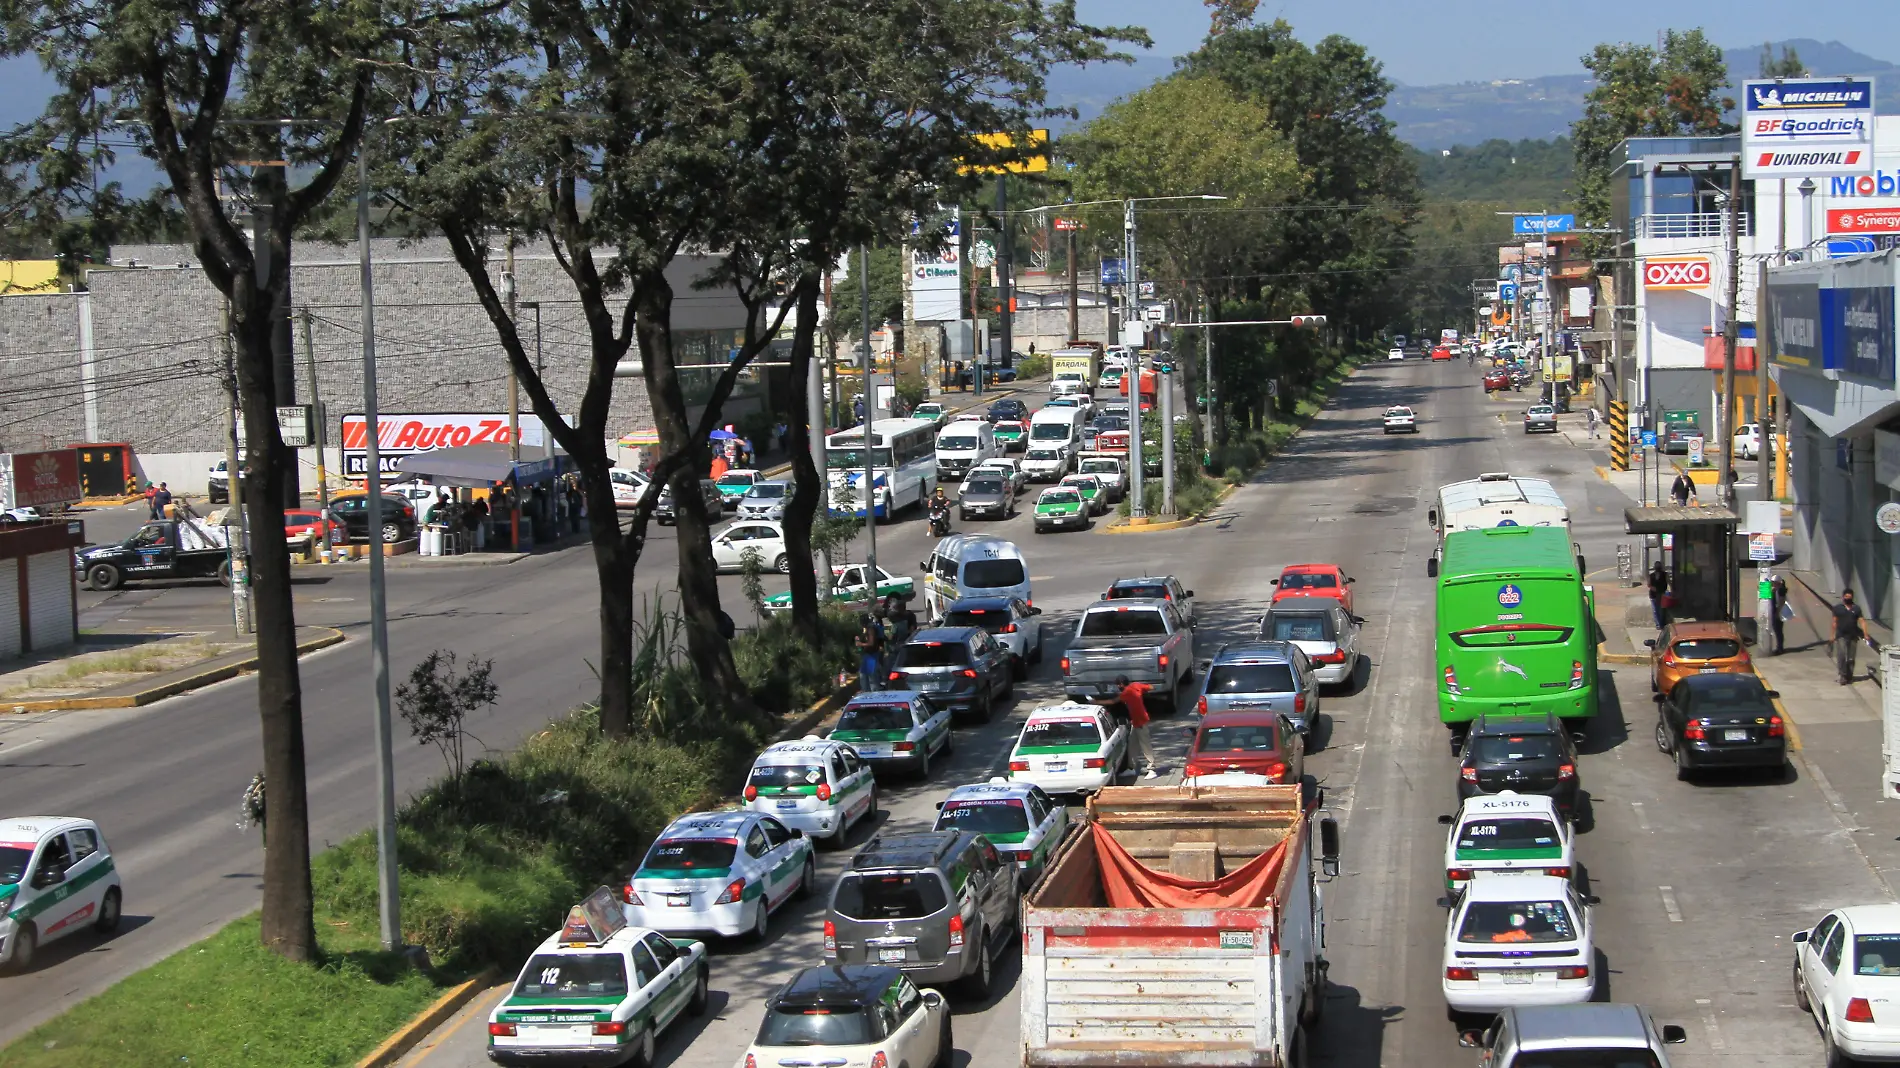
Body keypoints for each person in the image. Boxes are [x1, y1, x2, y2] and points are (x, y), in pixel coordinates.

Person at [1089, 674, 1157, 779]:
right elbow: (1152, 687)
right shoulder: (1136, 685)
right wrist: (1143, 692)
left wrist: (1095, 702)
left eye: (1118, 685)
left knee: (1145, 746)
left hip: (1140, 722)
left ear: (1121, 684)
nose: (1117, 687)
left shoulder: (1126, 693)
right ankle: (1131, 768)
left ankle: (1152, 769)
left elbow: (1112, 701)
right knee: (1132, 745)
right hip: (1136, 721)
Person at [1832, 588, 1865, 685]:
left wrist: (1865, 634)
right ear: (1843, 597)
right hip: (1841, 635)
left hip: (1853, 635)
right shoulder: (1838, 608)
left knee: (1851, 657)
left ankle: (1849, 676)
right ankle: (1842, 675)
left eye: (1849, 597)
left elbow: (1862, 621)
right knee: (1841, 655)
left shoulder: (1856, 608)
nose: (1848, 599)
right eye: (1846, 597)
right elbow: (1834, 622)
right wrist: (1832, 635)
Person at [855, 613, 885, 693]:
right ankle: (866, 692)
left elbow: (871, 643)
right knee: (863, 675)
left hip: (872, 655)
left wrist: (860, 644)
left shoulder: (870, 629)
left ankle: (875, 693)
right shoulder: (867, 628)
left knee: (872, 676)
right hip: (868, 655)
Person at [1770, 573, 1790, 656]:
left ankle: (1780, 648)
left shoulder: (1781, 590)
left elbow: (1781, 602)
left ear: (1777, 582)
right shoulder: (1776, 589)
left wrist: (1778, 613)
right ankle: (1779, 647)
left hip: (1778, 613)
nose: (1772, 584)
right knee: (1777, 630)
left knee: (1778, 631)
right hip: (1775, 612)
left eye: (1773, 582)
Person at [1647, 561, 1670, 629]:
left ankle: (1662, 623)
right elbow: (1649, 584)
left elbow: (1668, 582)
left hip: (1661, 594)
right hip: (1653, 595)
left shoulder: (1665, 574)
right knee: (1655, 610)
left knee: (1661, 609)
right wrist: (1652, 588)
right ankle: (1658, 624)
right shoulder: (1651, 575)